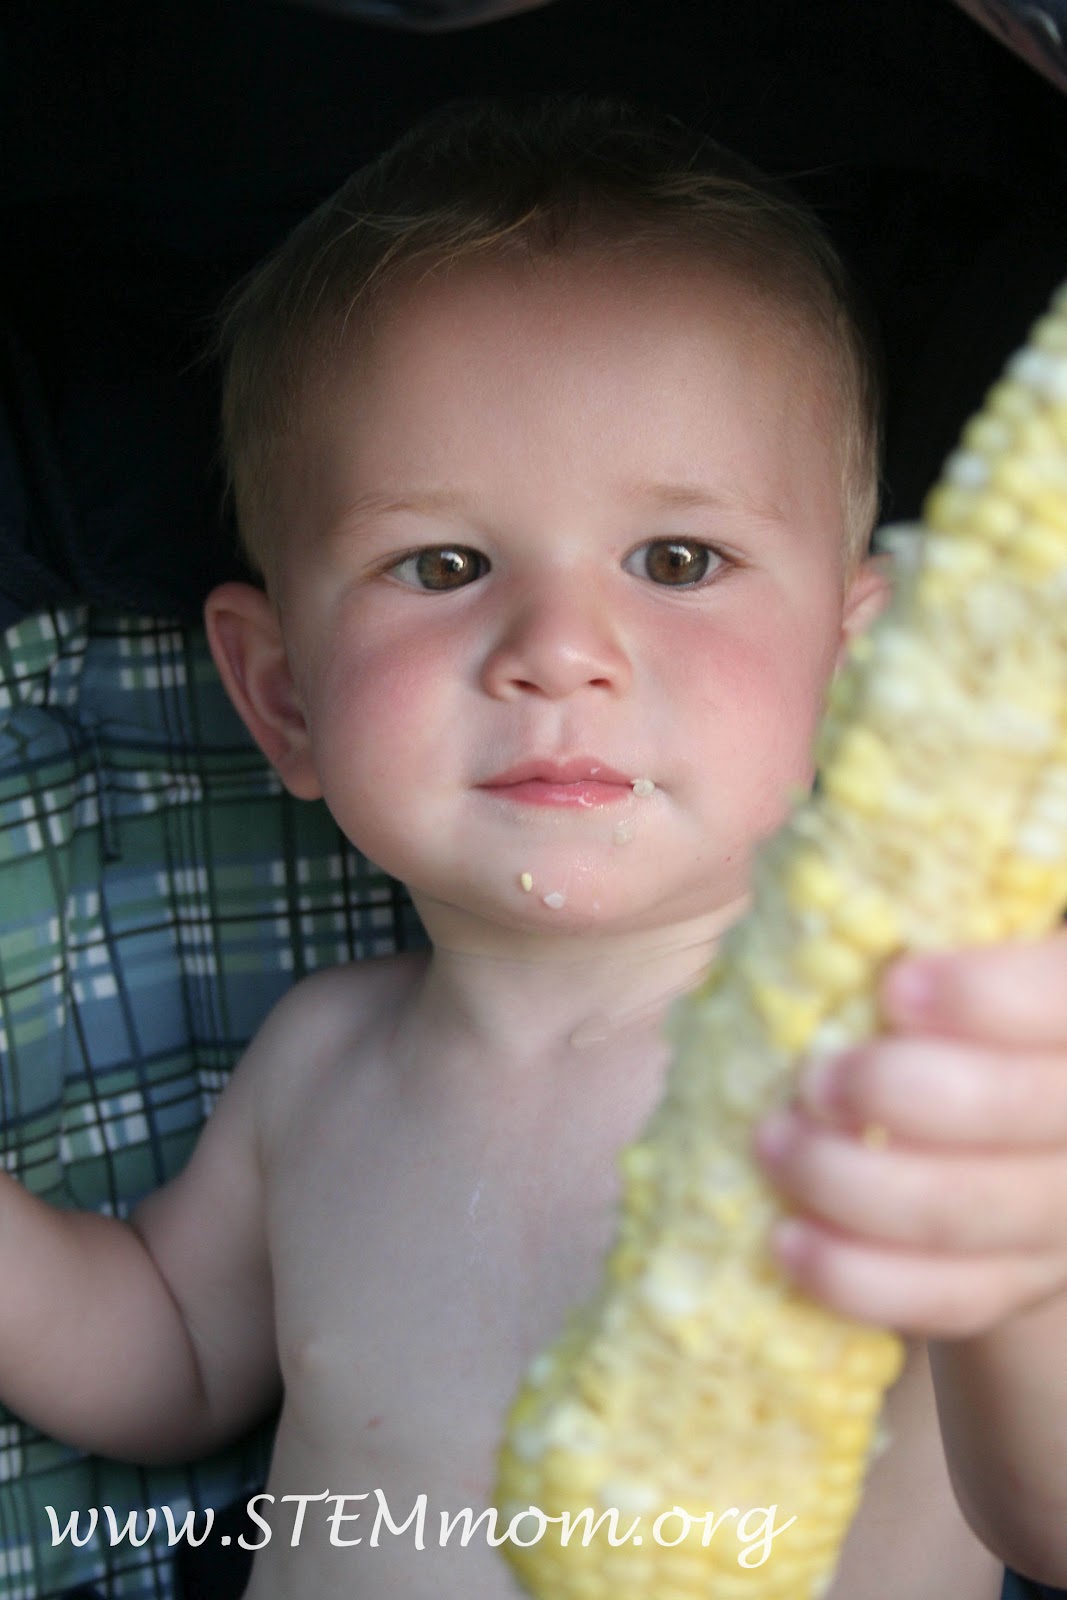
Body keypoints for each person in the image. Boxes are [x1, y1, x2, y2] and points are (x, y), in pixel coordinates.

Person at [1, 92, 1065, 1600]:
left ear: (853, 676)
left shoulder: (909, 1064)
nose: (562, 649)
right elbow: (165, 1353)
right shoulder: (321, 1062)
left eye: (677, 560)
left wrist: (1023, 1274)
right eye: (441, 564)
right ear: (284, 698)